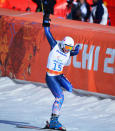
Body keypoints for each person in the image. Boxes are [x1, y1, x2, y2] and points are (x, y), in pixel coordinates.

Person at [42, 1, 80, 130]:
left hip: (59, 75)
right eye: (67, 47)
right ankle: (54, 121)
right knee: (60, 97)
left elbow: (72, 53)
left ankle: (54, 119)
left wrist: (77, 50)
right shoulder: (55, 46)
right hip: (51, 76)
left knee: (69, 89)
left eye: (70, 48)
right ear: (62, 44)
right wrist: (46, 18)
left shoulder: (68, 51)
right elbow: (47, 32)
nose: (67, 49)